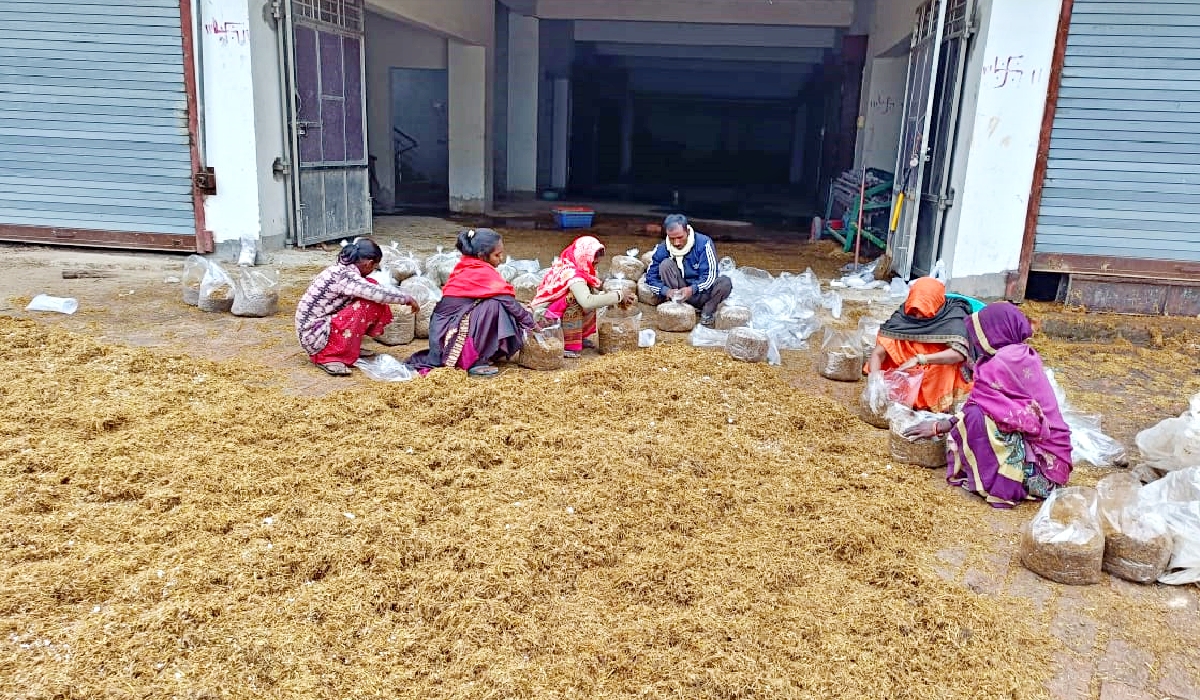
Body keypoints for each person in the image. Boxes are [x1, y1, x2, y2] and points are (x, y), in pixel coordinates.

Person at [905, 303, 1073, 508]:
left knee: (975, 417)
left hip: (1042, 470)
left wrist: (938, 426)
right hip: (1056, 465)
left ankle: (1006, 481)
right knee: (976, 413)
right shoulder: (1022, 354)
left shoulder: (1002, 362)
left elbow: (983, 407)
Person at [407, 229, 538, 377]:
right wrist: (533, 324)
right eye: (497, 255)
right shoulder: (480, 272)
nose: (501, 258)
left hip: (445, 329)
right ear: (482, 256)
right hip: (448, 335)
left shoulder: (467, 266)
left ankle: (481, 354)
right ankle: (474, 360)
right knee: (495, 305)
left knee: (497, 302)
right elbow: (509, 302)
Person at [295, 238, 420, 376]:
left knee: (370, 286)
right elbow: (377, 293)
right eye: (374, 267)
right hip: (316, 337)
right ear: (369, 263)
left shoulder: (341, 270)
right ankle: (328, 357)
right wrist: (406, 299)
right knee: (369, 304)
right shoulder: (346, 276)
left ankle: (348, 347)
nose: (373, 270)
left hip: (316, 329)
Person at [867, 277, 972, 412]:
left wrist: (920, 359)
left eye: (922, 312)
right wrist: (875, 381)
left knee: (945, 370)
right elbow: (878, 353)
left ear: (936, 305)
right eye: (914, 311)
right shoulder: (903, 315)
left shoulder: (953, 318)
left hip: (936, 365)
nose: (917, 317)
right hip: (905, 369)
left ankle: (930, 404)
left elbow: (958, 354)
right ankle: (900, 399)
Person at [531, 235, 635, 358]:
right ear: (584, 257)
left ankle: (577, 337)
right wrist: (619, 295)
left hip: (555, 313)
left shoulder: (574, 264)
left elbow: (594, 297)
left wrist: (615, 298)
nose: (595, 264)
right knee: (575, 301)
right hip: (545, 321)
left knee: (590, 297)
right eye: (593, 261)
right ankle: (567, 344)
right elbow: (587, 302)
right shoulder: (573, 275)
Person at [645, 214, 732, 327]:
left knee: (725, 282)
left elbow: (710, 276)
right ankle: (681, 307)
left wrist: (692, 289)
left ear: (687, 231)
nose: (676, 243)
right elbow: (650, 278)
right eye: (672, 238)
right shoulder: (663, 248)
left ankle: (708, 310)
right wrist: (667, 291)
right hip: (679, 293)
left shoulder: (704, 243)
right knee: (665, 265)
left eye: (680, 237)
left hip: (703, 293)